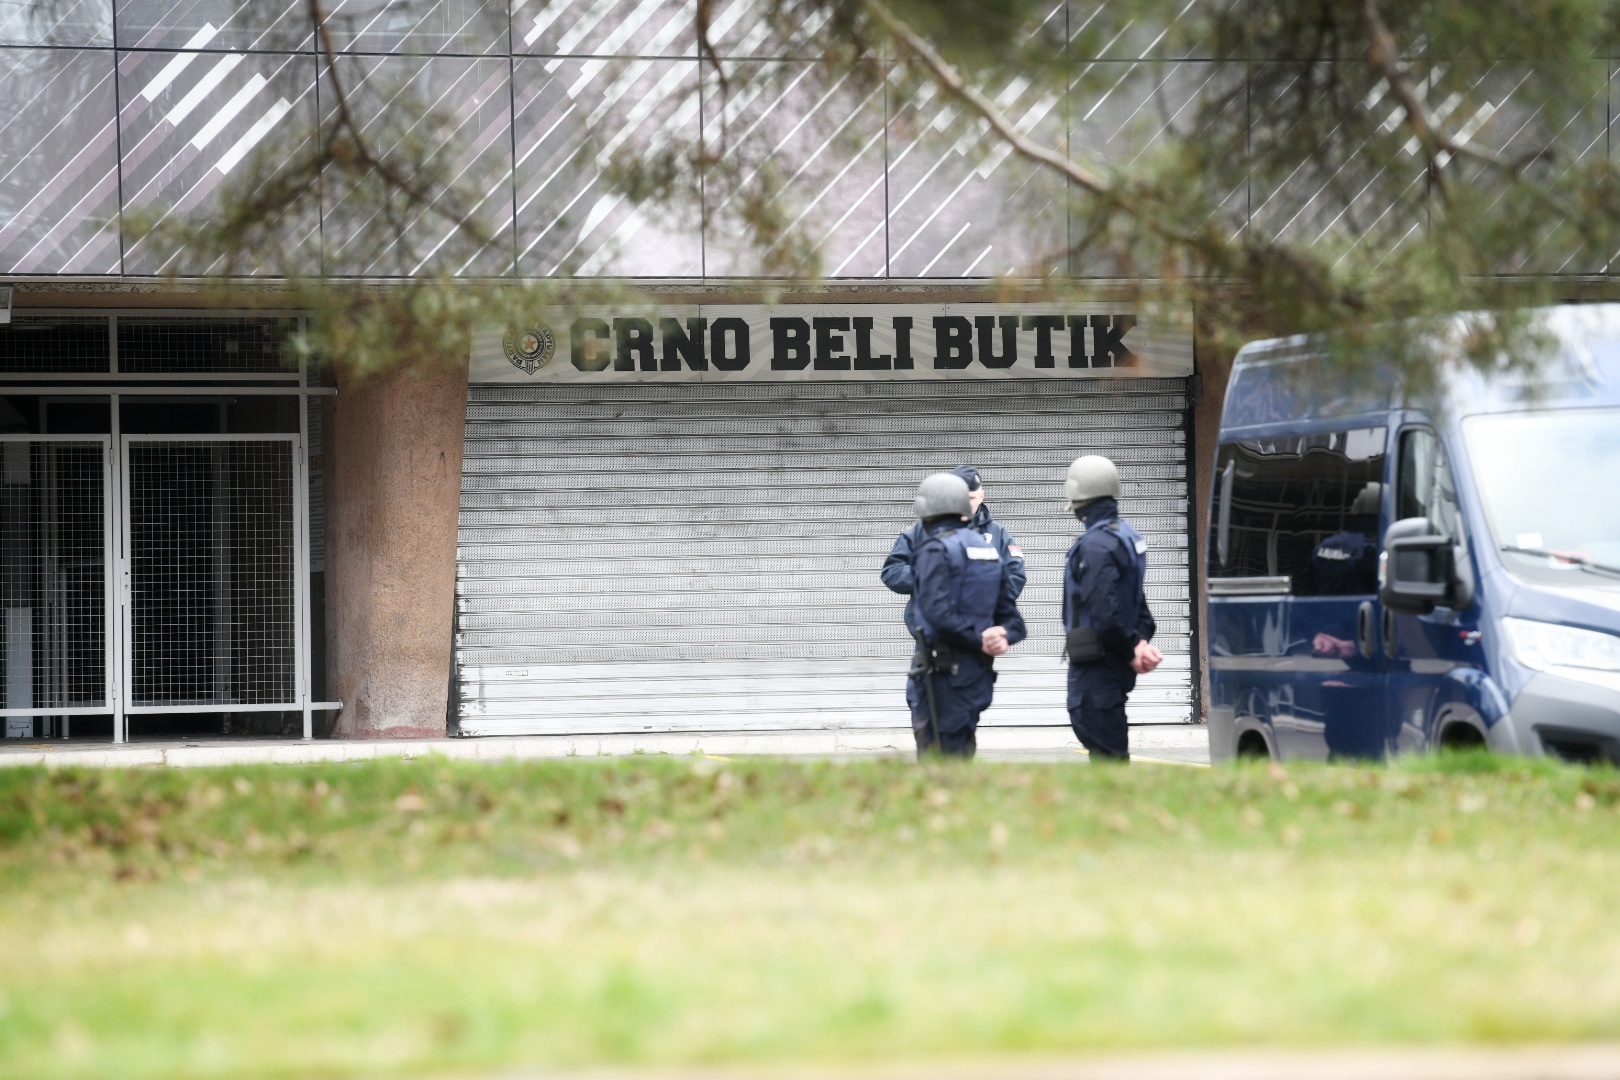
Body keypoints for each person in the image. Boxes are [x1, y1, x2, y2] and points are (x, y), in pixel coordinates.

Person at [906, 472, 1027, 759]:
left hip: (942, 676)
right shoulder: (986, 549)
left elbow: (938, 613)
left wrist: (978, 640)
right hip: (976, 676)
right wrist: (1001, 636)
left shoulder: (933, 549)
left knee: (938, 761)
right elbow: (1015, 623)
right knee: (963, 752)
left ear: (926, 511)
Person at [1062, 455, 1162, 762]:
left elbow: (1105, 611)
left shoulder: (1095, 545)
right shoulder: (1126, 536)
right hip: (1112, 663)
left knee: (1105, 751)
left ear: (1079, 496)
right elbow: (1137, 603)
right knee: (1109, 746)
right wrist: (1140, 640)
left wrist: (1132, 646)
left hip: (1097, 667)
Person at [882, 464, 1026, 637]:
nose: (966, 505)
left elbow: (1015, 576)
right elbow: (892, 572)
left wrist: (981, 599)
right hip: (931, 633)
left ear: (982, 495)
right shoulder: (919, 532)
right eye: (961, 499)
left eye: (971, 498)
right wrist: (933, 578)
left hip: (981, 631)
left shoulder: (998, 533)